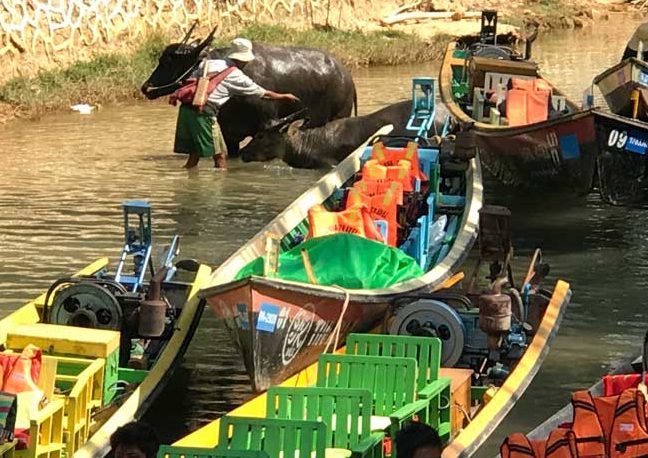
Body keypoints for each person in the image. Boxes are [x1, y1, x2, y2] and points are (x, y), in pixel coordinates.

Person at [174, 37, 300, 170]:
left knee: (194, 154)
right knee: (220, 156)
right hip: (203, 114)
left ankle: (188, 178)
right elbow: (262, 93)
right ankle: (220, 186)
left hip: (187, 110)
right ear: (243, 59)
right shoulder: (236, 75)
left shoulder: (208, 64)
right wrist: (284, 96)